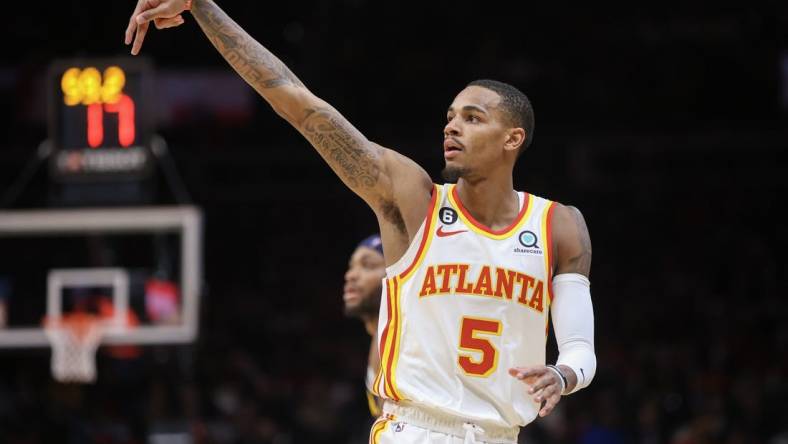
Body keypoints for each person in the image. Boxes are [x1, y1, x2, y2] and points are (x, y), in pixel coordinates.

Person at [125, 2, 597, 442]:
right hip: (415, 429)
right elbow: (300, 104)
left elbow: (579, 348)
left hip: (501, 434)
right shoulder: (415, 200)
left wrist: (562, 374)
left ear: (513, 138)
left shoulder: (559, 226)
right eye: (450, 117)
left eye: (473, 119)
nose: (452, 127)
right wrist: (202, 7)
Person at [343, 234, 386, 418]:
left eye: (367, 266)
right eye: (351, 267)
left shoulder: (402, 339)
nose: (350, 275)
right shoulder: (379, 337)